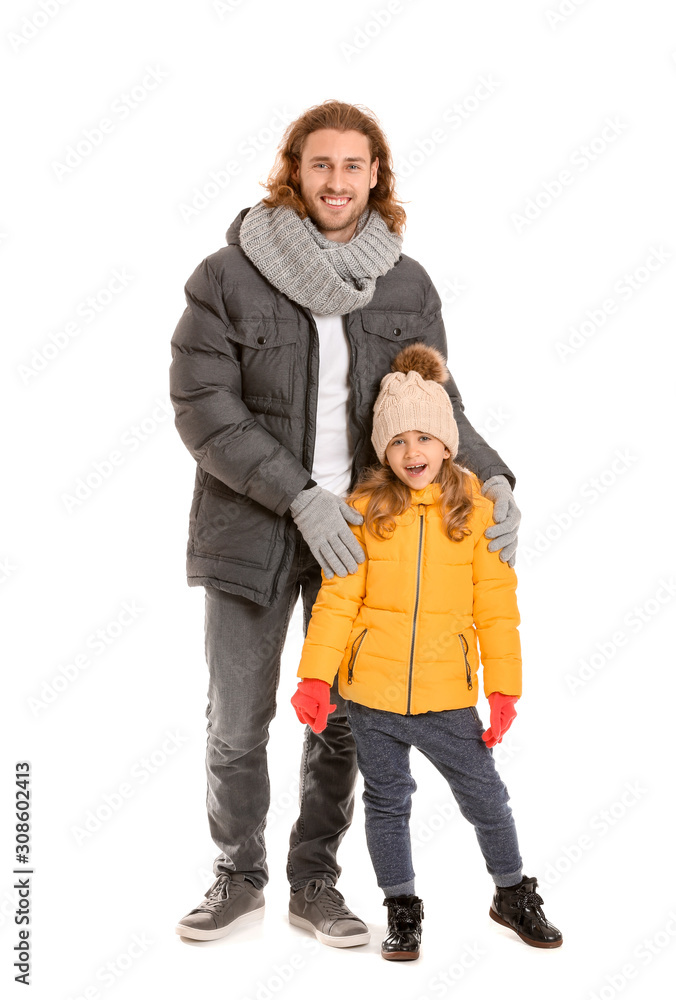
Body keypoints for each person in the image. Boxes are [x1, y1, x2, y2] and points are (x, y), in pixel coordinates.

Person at [169, 99, 522, 946]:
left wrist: (496, 474)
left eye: (353, 166)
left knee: (344, 720)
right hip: (253, 527)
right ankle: (237, 875)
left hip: (370, 535)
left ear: (376, 175)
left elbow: (434, 404)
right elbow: (202, 407)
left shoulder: (405, 281)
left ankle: (315, 881)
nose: (337, 180)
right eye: (320, 164)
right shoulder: (228, 275)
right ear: (294, 170)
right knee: (237, 717)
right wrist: (298, 494)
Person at [290, 341, 562, 960]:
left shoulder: (480, 512)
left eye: (425, 438)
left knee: (486, 798)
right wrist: (315, 678)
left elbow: (497, 608)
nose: (413, 452)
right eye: (399, 441)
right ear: (384, 450)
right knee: (387, 805)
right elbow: (337, 603)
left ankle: (512, 892)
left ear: (447, 442)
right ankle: (402, 907)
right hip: (371, 699)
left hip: (447, 696)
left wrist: (503, 689)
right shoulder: (362, 511)